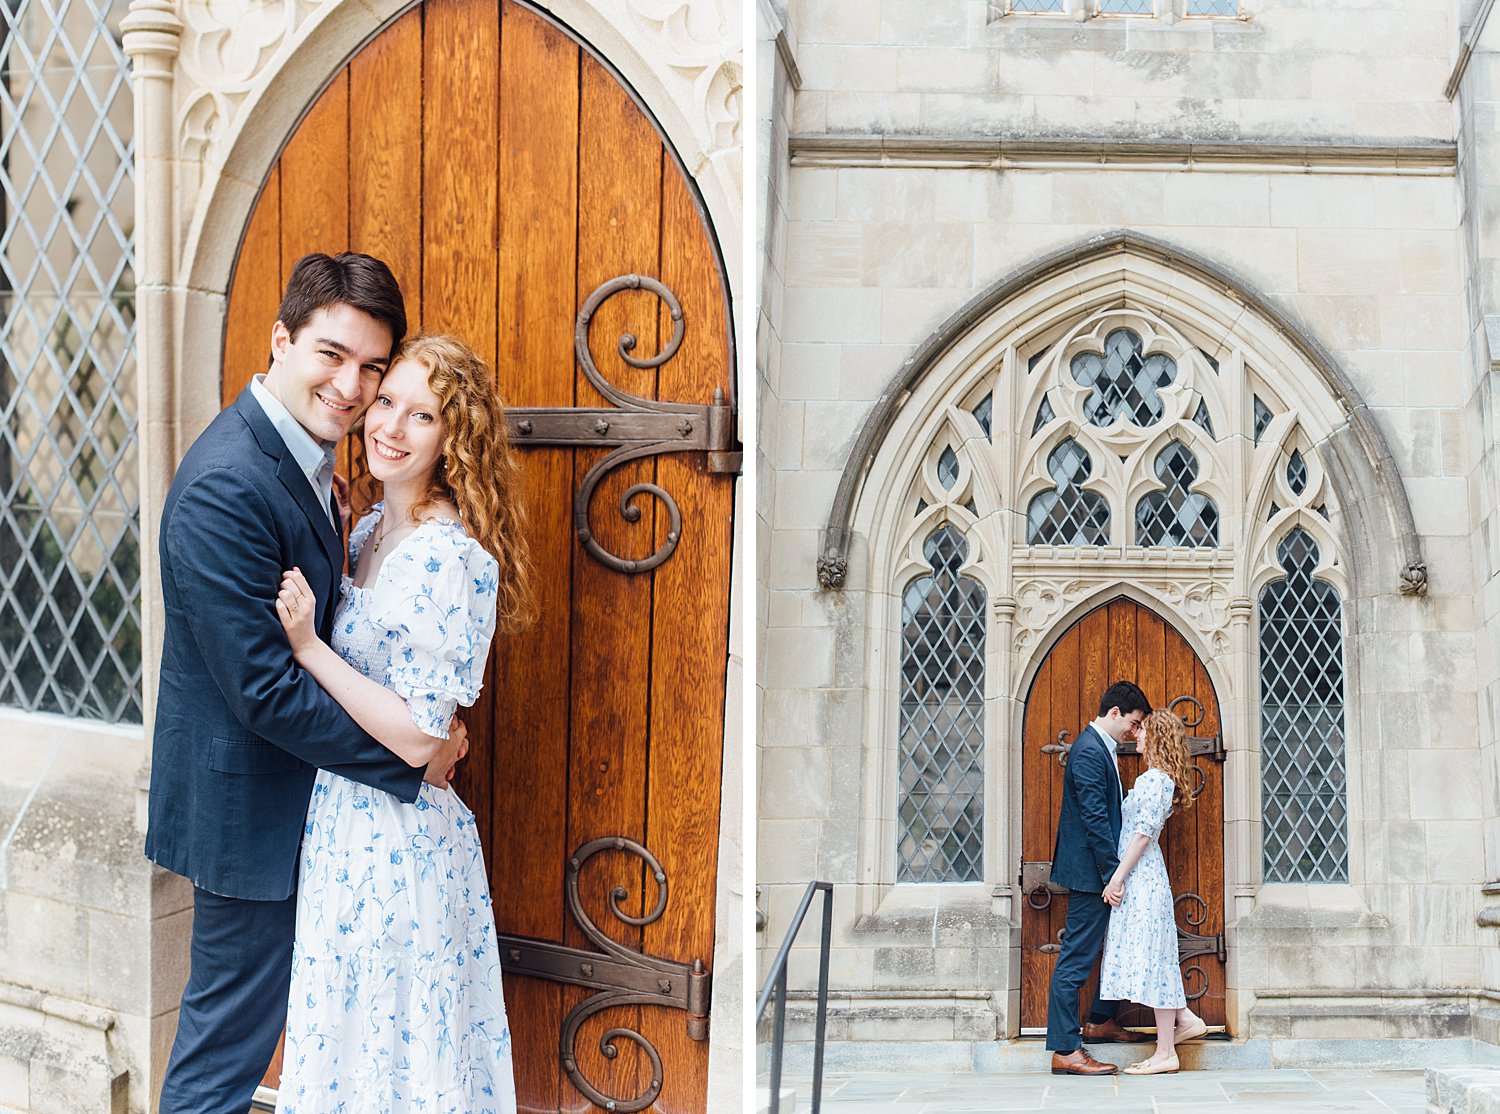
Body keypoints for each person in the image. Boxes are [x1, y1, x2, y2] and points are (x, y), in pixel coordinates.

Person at [147, 253, 468, 1114]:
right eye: (332, 355)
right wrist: (410, 759)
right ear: (281, 339)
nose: (353, 386)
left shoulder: (304, 455)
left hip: (311, 816)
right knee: (223, 1067)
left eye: (372, 365)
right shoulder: (228, 483)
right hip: (248, 818)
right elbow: (262, 690)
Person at [270, 334, 533, 1112]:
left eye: (423, 416)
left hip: (397, 842)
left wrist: (311, 647)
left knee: (396, 1061)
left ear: (454, 441)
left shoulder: (446, 558)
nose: (390, 425)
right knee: (349, 1053)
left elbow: (422, 734)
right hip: (345, 831)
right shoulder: (368, 532)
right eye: (387, 401)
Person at [1046, 679, 1154, 1076]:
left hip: (1099, 875)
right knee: (1076, 958)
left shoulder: (1099, 748)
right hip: (1093, 877)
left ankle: (1099, 1020)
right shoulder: (1090, 752)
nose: (1134, 731)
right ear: (1114, 713)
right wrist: (1114, 877)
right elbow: (1095, 821)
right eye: (1133, 721)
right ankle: (1065, 1049)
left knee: (1114, 946)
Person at [1098, 708, 1209, 1076]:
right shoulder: (1157, 779)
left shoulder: (1153, 781)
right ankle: (1184, 1020)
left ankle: (1165, 1052)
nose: (1137, 736)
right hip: (1146, 877)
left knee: (1155, 960)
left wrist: (1118, 878)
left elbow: (1142, 835)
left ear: (1157, 738)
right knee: (1156, 958)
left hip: (1142, 878)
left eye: (1143, 730)